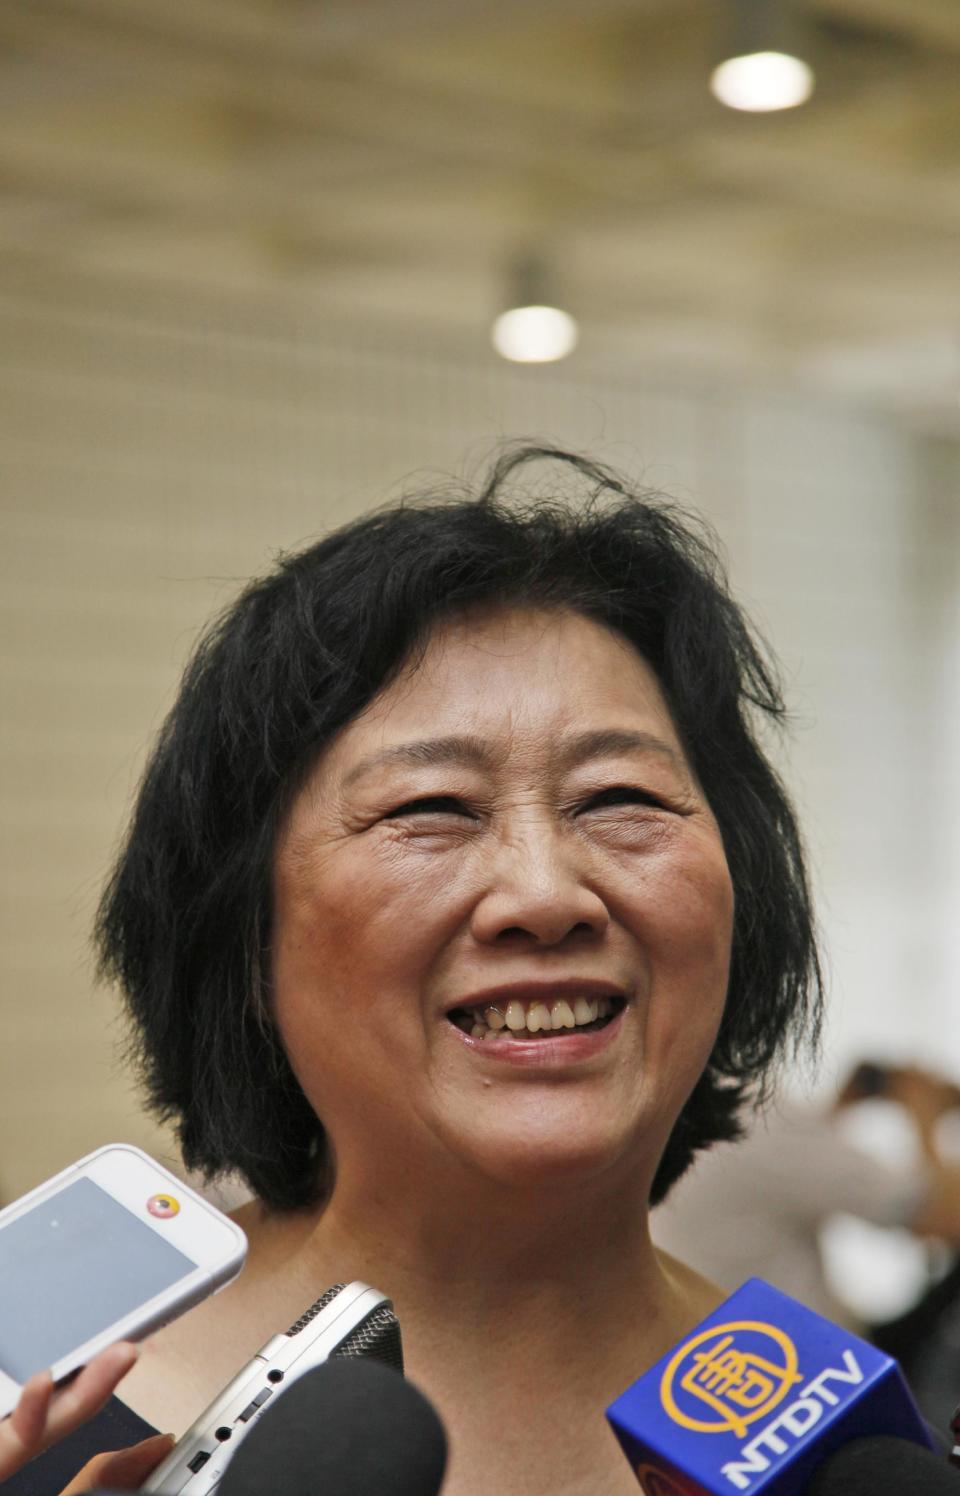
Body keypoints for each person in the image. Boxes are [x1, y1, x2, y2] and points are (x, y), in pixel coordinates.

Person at [0, 447, 822, 1495]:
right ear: (242, 934)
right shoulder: (43, 1401)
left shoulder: (829, 1443)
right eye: (429, 808)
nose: (546, 892)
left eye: (621, 797)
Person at [651, 1060, 960, 1329]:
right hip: (817, 1369)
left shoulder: (668, 1122)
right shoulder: (750, 1117)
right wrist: (924, 1113)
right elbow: (943, 1218)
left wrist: (836, 1112)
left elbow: (785, 1179)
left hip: (727, 1364)